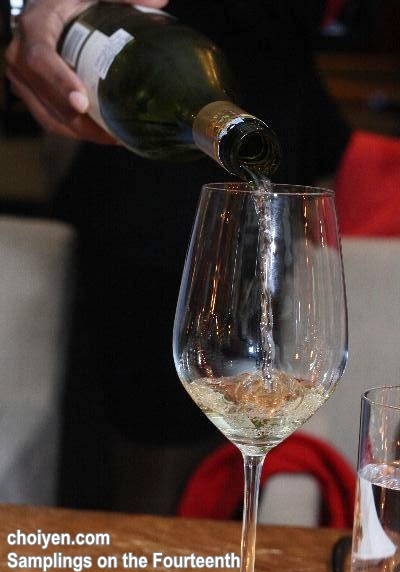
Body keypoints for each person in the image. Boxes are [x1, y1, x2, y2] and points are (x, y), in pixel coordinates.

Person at [5, 0, 351, 513]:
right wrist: (25, 5)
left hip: (266, 175)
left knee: (210, 482)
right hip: (140, 213)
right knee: (121, 479)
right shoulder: (187, 65)